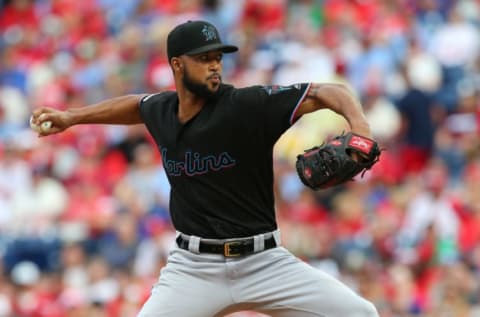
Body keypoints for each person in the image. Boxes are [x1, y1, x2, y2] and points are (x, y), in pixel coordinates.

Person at [31, 20, 379, 317]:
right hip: (194, 268)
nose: (215, 65)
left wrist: (361, 129)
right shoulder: (163, 110)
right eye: (204, 59)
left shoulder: (246, 105)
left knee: (361, 314)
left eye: (217, 57)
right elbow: (136, 105)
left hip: (265, 261)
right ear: (177, 64)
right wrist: (72, 117)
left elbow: (328, 92)